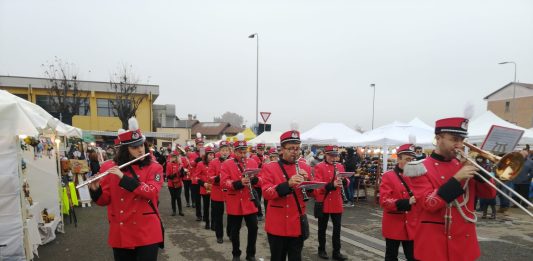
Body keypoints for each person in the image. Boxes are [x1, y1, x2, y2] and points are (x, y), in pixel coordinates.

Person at [405, 117, 496, 261]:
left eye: (462, 140)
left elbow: (490, 194)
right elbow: (430, 204)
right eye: (454, 139)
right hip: (435, 245)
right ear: (438, 138)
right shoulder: (419, 168)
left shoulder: (464, 165)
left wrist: (479, 172)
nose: (459, 145)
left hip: (464, 244)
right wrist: (456, 179)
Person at [89, 117, 164, 261]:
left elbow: (151, 191)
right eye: (135, 147)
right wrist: (95, 189)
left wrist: (123, 178)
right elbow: (104, 200)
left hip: (146, 231)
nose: (140, 150)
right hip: (121, 231)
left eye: (142, 145)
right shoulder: (111, 168)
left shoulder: (155, 167)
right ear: (125, 150)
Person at [261, 130, 311, 261]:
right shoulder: (269, 167)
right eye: (291, 148)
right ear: (282, 150)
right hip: (277, 225)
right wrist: (288, 184)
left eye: (297, 148)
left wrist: (308, 182)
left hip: (296, 223)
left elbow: (314, 192)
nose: (295, 151)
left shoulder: (304, 166)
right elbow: (266, 193)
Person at [221, 136, 260, 261]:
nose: (243, 155)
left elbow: (260, 179)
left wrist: (255, 180)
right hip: (235, 201)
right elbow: (224, 182)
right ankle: (236, 253)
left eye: (245, 152)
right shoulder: (227, 163)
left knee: (253, 228)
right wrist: (238, 183)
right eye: (240, 152)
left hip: (249, 201)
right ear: (235, 151)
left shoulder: (253, 162)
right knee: (234, 230)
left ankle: (251, 253)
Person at [379, 144, 419, 261]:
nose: (410, 162)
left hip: (412, 224)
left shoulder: (416, 176)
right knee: (391, 257)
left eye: (412, 159)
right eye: (407, 159)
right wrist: (407, 202)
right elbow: (384, 201)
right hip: (393, 224)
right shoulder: (388, 176)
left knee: (413, 257)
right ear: (398, 159)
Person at [313, 145, 348, 261]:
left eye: (335, 156)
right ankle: (321, 249)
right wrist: (331, 185)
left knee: (337, 229)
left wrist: (344, 180)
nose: (333, 158)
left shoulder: (340, 166)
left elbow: (346, 182)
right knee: (322, 228)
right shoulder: (319, 167)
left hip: (337, 202)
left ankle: (336, 252)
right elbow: (317, 185)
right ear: (325, 155)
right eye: (331, 156)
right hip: (324, 201)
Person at [209, 140, 231, 243]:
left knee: (232, 215)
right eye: (223, 150)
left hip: (230, 192)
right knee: (218, 216)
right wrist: (220, 177)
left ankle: (230, 233)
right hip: (217, 192)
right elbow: (210, 177)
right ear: (219, 151)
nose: (225, 152)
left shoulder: (233, 161)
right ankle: (219, 235)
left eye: (227, 150)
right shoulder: (214, 162)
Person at [197, 146, 215, 229]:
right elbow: (196, 177)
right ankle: (207, 222)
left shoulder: (215, 163)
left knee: (214, 207)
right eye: (210, 155)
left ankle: (213, 223)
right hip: (205, 188)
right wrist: (203, 184)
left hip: (215, 188)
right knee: (206, 206)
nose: (212, 156)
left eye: (213, 155)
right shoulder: (200, 164)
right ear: (206, 155)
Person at [251, 143, 266, 221]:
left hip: (264, 181)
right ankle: (258, 213)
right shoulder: (254, 157)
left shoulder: (265, 157)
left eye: (262, 150)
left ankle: (265, 213)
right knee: (258, 198)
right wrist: (261, 164)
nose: (261, 151)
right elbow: (254, 169)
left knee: (267, 198)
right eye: (260, 149)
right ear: (257, 150)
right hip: (257, 182)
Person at [166, 151, 184, 216]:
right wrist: (176, 173)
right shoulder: (168, 164)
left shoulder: (180, 164)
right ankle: (174, 211)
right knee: (173, 197)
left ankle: (180, 211)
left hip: (179, 183)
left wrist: (182, 172)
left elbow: (182, 176)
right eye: (172, 156)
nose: (173, 158)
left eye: (174, 156)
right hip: (171, 184)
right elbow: (168, 176)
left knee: (178, 197)